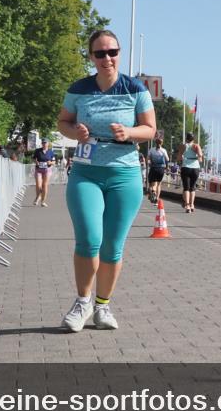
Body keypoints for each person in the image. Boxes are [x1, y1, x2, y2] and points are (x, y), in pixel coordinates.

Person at [57, 29, 156, 332]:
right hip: (86, 172)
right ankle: (82, 303)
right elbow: (63, 122)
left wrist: (130, 133)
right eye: (100, 54)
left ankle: (103, 307)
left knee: (113, 246)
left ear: (119, 53)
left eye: (112, 52)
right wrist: (76, 133)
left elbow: (150, 129)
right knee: (89, 239)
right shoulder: (80, 89)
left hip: (123, 174)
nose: (107, 59)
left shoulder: (134, 88)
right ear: (91, 57)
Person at [178, 132, 203, 213]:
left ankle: (187, 205)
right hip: (195, 168)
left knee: (186, 187)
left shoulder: (183, 146)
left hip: (185, 167)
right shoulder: (196, 145)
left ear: (186, 138)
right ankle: (192, 205)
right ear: (193, 139)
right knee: (192, 188)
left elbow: (179, 158)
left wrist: (182, 158)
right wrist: (196, 156)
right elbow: (200, 155)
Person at [146, 137, 170, 203]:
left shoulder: (151, 150)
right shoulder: (164, 150)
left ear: (155, 143)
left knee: (152, 184)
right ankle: (157, 198)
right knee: (159, 184)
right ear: (162, 143)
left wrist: (148, 163)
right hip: (161, 169)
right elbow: (167, 160)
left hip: (153, 168)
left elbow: (147, 159)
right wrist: (167, 167)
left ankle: (153, 191)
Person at [32, 139, 55, 206]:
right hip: (38, 169)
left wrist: (50, 162)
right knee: (38, 185)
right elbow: (33, 158)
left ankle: (43, 201)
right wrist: (35, 161)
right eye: (43, 143)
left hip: (47, 169)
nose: (44, 144)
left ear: (48, 144)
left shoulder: (51, 152)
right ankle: (37, 197)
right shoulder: (37, 151)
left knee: (44, 185)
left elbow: (54, 162)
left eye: (45, 143)